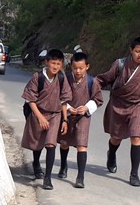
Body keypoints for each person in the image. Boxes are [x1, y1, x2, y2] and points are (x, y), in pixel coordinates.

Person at [95, 36, 140, 187]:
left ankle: (134, 174)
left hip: (138, 105)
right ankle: (111, 154)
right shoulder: (120, 64)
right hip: (118, 104)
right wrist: (92, 87)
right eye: (138, 51)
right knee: (116, 138)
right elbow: (105, 78)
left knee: (136, 137)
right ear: (131, 50)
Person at [20, 49, 71, 190]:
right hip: (38, 113)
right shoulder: (38, 77)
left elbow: (64, 100)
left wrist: (65, 120)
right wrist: (40, 117)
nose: (55, 67)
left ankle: (47, 178)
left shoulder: (61, 78)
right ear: (46, 62)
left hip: (55, 115)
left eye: (58, 64)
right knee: (37, 142)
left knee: (50, 144)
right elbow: (30, 99)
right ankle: (36, 163)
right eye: (53, 63)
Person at [57, 51, 103, 188]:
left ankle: (80, 176)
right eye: (75, 68)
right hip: (67, 115)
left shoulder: (92, 81)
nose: (78, 71)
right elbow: (59, 96)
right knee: (64, 142)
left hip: (83, 117)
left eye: (81, 68)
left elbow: (98, 99)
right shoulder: (65, 79)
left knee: (82, 145)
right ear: (71, 67)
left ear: (87, 67)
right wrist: (69, 108)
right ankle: (63, 165)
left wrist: (87, 108)